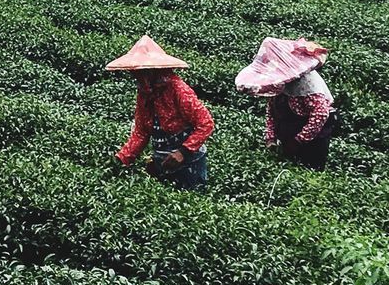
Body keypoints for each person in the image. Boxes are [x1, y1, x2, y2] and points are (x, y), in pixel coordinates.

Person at [109, 35, 214, 190]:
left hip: (190, 162)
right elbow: (142, 132)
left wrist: (182, 152)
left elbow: (205, 123)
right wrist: (122, 158)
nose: (136, 76)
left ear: (154, 71)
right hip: (163, 162)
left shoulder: (178, 90)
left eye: (141, 72)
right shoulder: (144, 94)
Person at [236, 37, 338, 170]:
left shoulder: (308, 86)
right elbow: (271, 111)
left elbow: (320, 114)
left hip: (314, 134)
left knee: (310, 167)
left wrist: (299, 140)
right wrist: (270, 138)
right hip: (290, 126)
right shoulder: (279, 81)